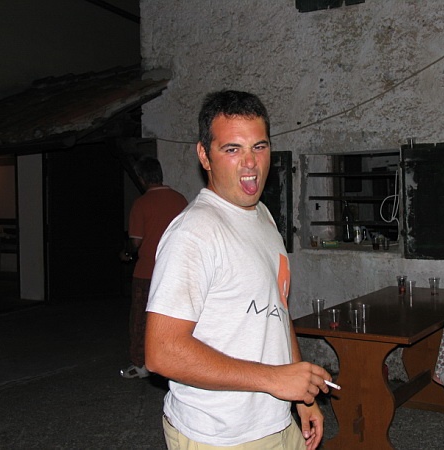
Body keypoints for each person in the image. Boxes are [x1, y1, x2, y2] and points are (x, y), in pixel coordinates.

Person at [145, 90, 332, 449]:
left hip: (276, 420)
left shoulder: (262, 215)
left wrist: (301, 396)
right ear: (205, 156)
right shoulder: (194, 233)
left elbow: (277, 311)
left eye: (259, 147)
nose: (250, 163)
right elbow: (161, 351)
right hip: (220, 435)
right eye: (232, 149)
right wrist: (275, 379)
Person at [119, 155, 188, 379]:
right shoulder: (180, 200)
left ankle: (140, 364)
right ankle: (174, 359)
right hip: (174, 271)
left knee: (140, 319)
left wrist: (126, 253)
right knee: (174, 318)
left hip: (147, 271)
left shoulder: (141, 204)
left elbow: (136, 242)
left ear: (141, 178)